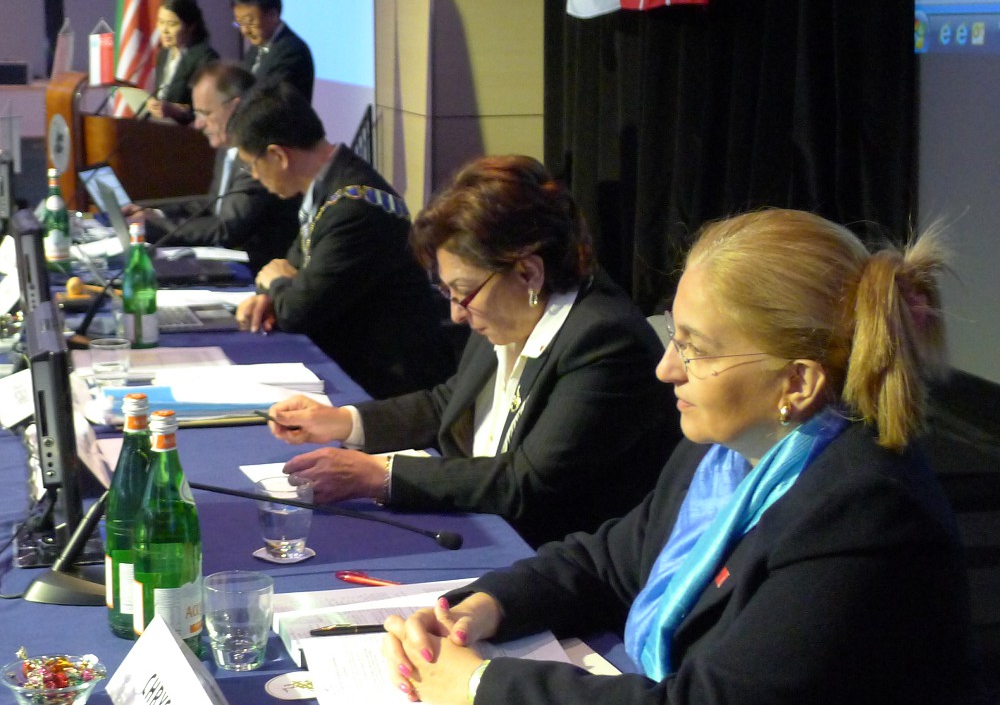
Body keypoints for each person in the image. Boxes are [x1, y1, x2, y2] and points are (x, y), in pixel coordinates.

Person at [381, 208, 985, 705]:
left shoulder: (862, 511)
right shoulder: (723, 452)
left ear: (797, 383)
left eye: (695, 348)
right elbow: (607, 561)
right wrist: (483, 607)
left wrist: (480, 685)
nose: (667, 368)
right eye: (675, 334)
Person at [264, 155, 679, 547]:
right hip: (485, 523)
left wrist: (380, 474)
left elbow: (525, 481)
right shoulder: (508, 301)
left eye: (461, 292)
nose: (456, 314)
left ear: (528, 271)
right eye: (447, 292)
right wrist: (343, 422)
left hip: (544, 552)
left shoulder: (604, 341)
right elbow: (451, 401)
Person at [229, 80, 454, 399]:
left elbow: (297, 311)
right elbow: (289, 269)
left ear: (278, 155)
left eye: (252, 164)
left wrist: (277, 287)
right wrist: (270, 294)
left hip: (390, 388)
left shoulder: (354, 206)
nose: (253, 176)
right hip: (358, 368)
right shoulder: (330, 187)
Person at [125, 62, 301, 274]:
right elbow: (211, 204)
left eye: (205, 113)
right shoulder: (226, 146)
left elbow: (227, 228)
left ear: (235, 108)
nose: (198, 124)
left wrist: (154, 228)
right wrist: (155, 214)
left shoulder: (259, 154)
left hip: (256, 271)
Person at [232, 0, 314, 101]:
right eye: (239, 22)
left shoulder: (292, 51)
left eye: (249, 21)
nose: (244, 30)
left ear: (273, 15)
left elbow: (269, 98)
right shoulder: (256, 48)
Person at [146, 0, 218, 124]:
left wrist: (177, 111)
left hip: (187, 130)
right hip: (159, 127)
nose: (164, 30)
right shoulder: (164, 54)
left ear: (190, 26)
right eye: (161, 22)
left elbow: (209, 109)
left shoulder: (205, 58)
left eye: (172, 24)